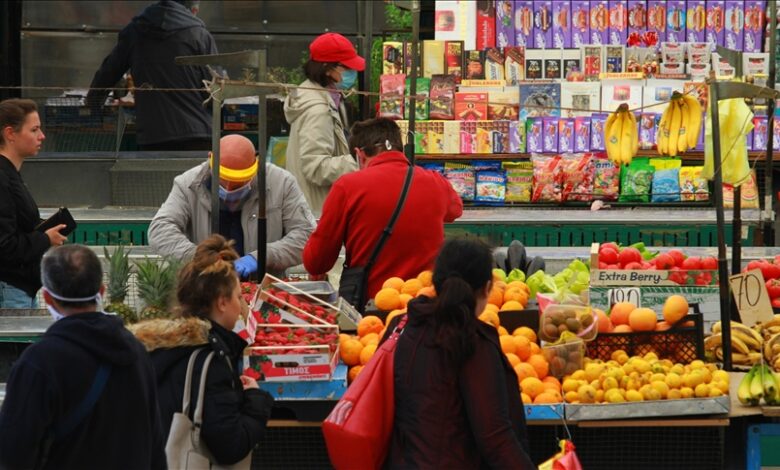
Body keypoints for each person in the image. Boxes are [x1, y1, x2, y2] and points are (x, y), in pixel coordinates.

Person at [0, 244, 166, 469]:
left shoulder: (38, 363)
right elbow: (154, 441)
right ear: (102, 291)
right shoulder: (137, 351)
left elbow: (14, 451)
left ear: (47, 298)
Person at [382, 238, 535, 468]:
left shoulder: (400, 326)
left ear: (435, 282)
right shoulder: (473, 343)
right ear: (487, 288)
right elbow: (496, 438)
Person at [130, 235, 274, 466]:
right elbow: (232, 446)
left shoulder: (161, 347)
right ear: (222, 302)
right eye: (238, 297)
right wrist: (256, 400)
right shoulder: (209, 361)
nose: (241, 305)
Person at [303, 117, 463, 301]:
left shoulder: (347, 187)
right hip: (425, 303)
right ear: (399, 147)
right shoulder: (436, 182)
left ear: (359, 155)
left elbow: (316, 262)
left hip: (373, 306)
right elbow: (455, 210)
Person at [149, 134, 316, 279]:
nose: (229, 188)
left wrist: (263, 257)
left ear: (255, 166)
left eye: (238, 183)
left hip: (263, 288)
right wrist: (202, 258)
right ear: (210, 160)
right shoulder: (188, 184)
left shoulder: (282, 183)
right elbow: (160, 230)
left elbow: (307, 234)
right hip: (206, 286)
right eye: (223, 179)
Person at [86, 0, 216, 150]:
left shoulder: (134, 31)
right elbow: (216, 88)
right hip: (197, 133)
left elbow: (107, 74)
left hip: (153, 136)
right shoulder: (199, 34)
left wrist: (92, 107)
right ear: (191, 10)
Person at [284, 32, 364, 215]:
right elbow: (315, 167)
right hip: (317, 208)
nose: (353, 73)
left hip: (314, 205)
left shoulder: (323, 95)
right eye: (347, 68)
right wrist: (361, 161)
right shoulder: (318, 110)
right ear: (328, 69)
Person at [0, 98, 67, 308]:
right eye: (34, 130)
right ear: (10, 133)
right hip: (10, 288)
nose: (42, 136)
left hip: (19, 287)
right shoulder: (3, 177)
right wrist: (44, 238)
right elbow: (4, 245)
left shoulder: (10, 174)